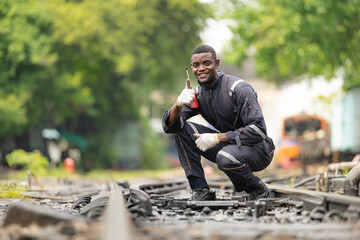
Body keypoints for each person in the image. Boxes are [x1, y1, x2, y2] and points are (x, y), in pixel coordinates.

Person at [162, 44, 275, 201]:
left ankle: (256, 188)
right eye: (196, 65)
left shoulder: (239, 88)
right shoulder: (197, 95)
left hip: (259, 149)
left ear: (217, 63)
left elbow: (259, 131)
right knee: (181, 129)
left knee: (225, 157)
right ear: (191, 69)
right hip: (230, 147)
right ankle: (200, 190)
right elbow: (170, 127)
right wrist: (178, 105)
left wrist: (217, 138)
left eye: (206, 63)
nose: (201, 68)